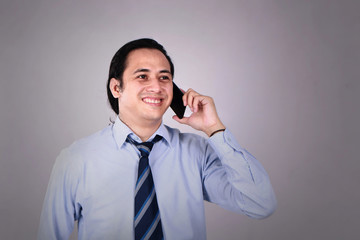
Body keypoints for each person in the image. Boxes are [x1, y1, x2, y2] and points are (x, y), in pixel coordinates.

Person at [38, 38, 277, 240]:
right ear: (116, 88)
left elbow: (260, 204)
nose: (157, 86)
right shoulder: (76, 159)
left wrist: (215, 130)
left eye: (164, 78)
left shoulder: (197, 153)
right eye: (142, 76)